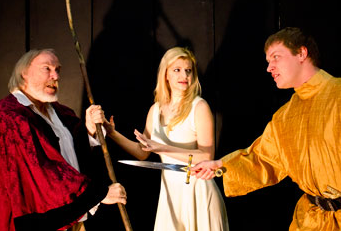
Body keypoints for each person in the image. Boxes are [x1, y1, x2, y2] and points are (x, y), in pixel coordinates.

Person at [191, 27, 341, 230]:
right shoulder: (285, 116)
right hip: (310, 222)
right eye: (268, 61)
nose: (269, 68)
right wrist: (219, 165)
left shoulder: (337, 94)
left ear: (302, 54)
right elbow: (262, 158)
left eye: (276, 57)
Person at [0, 49, 127, 231]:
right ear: (24, 73)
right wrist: (97, 194)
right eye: (46, 68)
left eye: (58, 70)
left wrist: (89, 130)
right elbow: (40, 169)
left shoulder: (60, 112)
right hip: (39, 220)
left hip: (71, 217)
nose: (55, 76)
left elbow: (70, 156)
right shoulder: (9, 116)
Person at [103, 47, 229, 231]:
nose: (184, 75)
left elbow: (206, 157)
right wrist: (112, 133)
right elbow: (142, 152)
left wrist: (162, 148)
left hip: (198, 192)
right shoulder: (155, 110)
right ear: (166, 75)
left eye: (188, 70)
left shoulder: (199, 107)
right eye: (177, 70)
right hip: (170, 194)